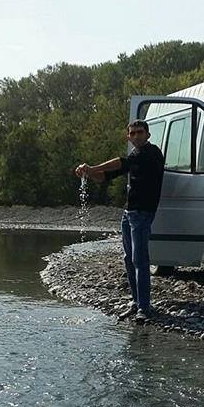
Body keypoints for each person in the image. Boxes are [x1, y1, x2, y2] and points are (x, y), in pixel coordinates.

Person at [75, 120, 165, 323]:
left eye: (139, 133)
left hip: (142, 213)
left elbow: (119, 162)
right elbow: (106, 176)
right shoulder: (134, 156)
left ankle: (144, 307)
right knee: (128, 258)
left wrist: (92, 166)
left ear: (147, 135)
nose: (136, 136)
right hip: (129, 213)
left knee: (140, 260)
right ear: (128, 137)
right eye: (132, 134)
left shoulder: (151, 153)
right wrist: (88, 173)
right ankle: (136, 302)